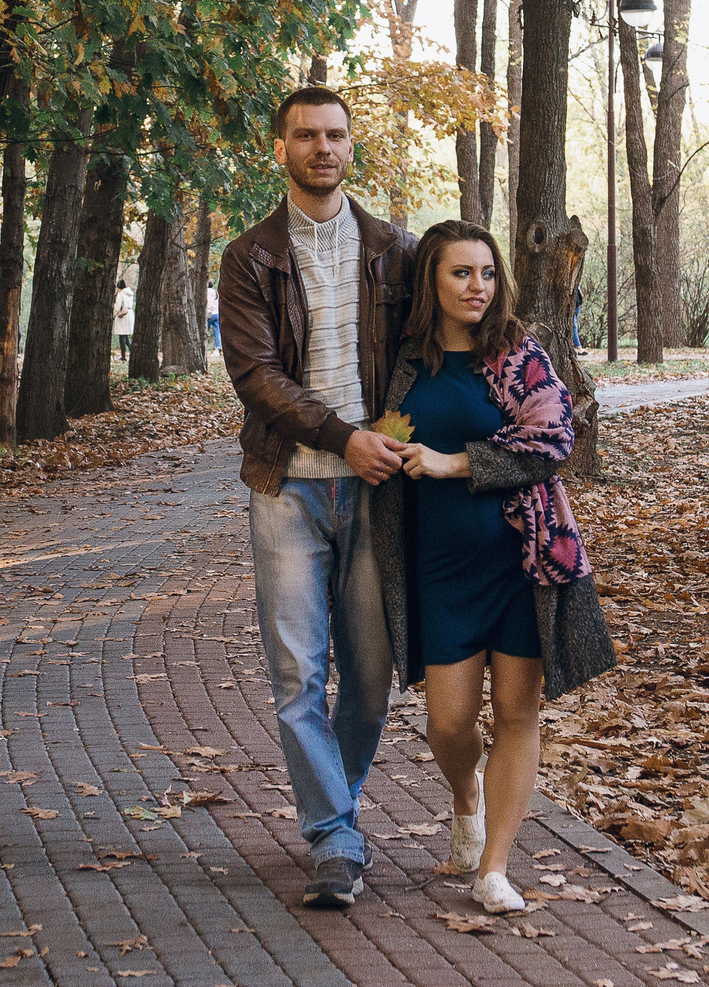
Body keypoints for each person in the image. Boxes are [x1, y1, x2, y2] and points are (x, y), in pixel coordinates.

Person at [375, 221, 616, 915]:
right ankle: (465, 795)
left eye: (486, 272)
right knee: (448, 725)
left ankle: (495, 865)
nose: (477, 286)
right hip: (439, 565)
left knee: (517, 710)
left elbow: (555, 437)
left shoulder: (517, 351)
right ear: (432, 281)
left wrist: (459, 462)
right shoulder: (408, 360)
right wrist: (386, 452)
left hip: (524, 559)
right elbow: (389, 427)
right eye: (460, 273)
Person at [217, 86, 415, 910]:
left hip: (376, 495)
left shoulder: (398, 251)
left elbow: (426, 354)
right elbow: (255, 375)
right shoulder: (249, 257)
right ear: (280, 147)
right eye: (306, 134)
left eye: (335, 134)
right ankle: (335, 833)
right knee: (299, 672)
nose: (322, 147)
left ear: (350, 145)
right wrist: (343, 435)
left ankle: (337, 806)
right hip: (289, 488)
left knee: (370, 679)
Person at [111, 280, 134, 353]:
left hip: (122, 315)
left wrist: (114, 314)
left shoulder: (120, 294)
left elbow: (118, 307)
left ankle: (123, 355)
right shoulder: (130, 294)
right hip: (129, 313)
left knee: (122, 336)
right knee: (126, 336)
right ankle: (132, 351)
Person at [204, 279, 220, 352]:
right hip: (216, 313)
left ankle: (204, 347)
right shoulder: (215, 292)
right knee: (217, 331)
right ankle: (218, 347)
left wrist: (208, 312)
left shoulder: (206, 292)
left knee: (204, 331)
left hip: (210, 313)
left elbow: (209, 303)